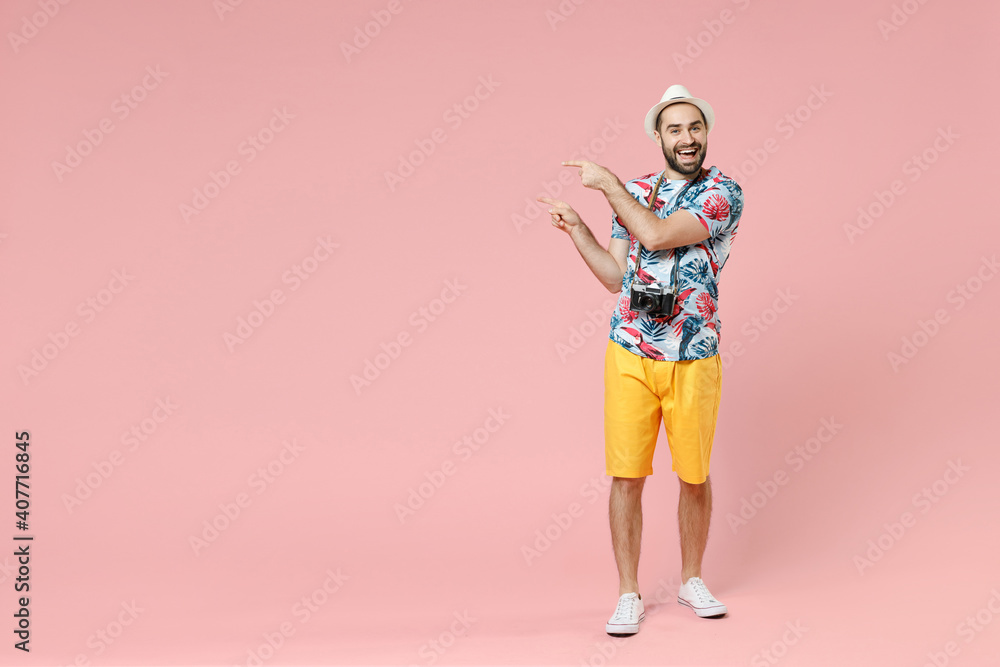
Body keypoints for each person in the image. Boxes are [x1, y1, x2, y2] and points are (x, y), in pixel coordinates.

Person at [538, 85, 744, 636]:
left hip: (695, 353)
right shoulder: (637, 191)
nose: (687, 138)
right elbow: (614, 276)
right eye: (674, 129)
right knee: (626, 476)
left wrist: (605, 183)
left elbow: (655, 234)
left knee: (693, 476)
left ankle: (692, 579)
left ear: (706, 134)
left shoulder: (723, 192)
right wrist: (579, 228)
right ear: (658, 136)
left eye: (694, 128)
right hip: (630, 350)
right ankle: (628, 592)